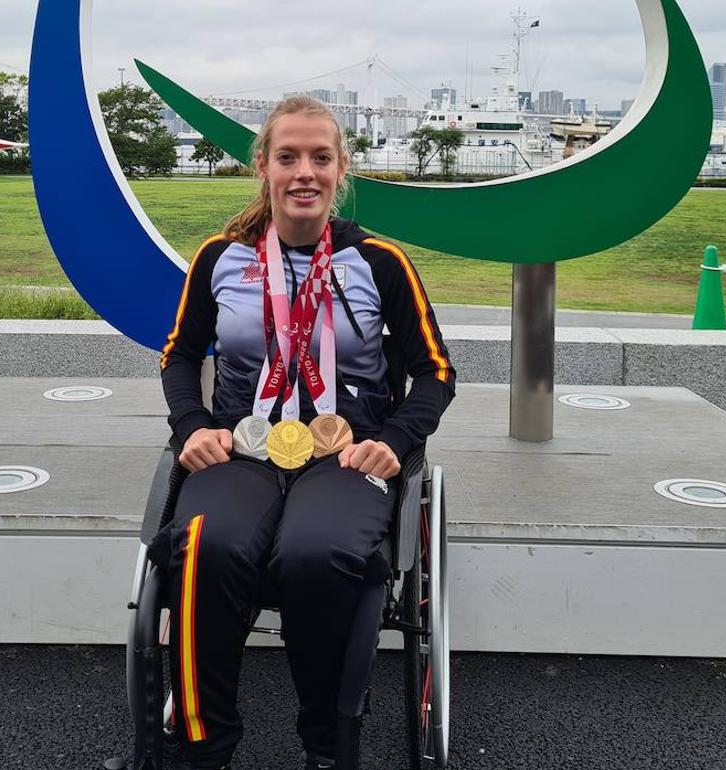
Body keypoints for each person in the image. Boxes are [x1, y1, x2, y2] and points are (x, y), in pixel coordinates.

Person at [152, 95, 456, 770]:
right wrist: (191, 427)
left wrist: (396, 441)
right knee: (205, 543)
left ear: (342, 168)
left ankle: (327, 743)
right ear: (262, 165)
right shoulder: (220, 258)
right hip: (243, 446)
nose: (304, 172)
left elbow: (436, 373)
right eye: (287, 156)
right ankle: (203, 744)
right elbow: (179, 355)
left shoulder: (380, 263)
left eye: (320, 157)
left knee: (315, 555)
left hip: (345, 452)